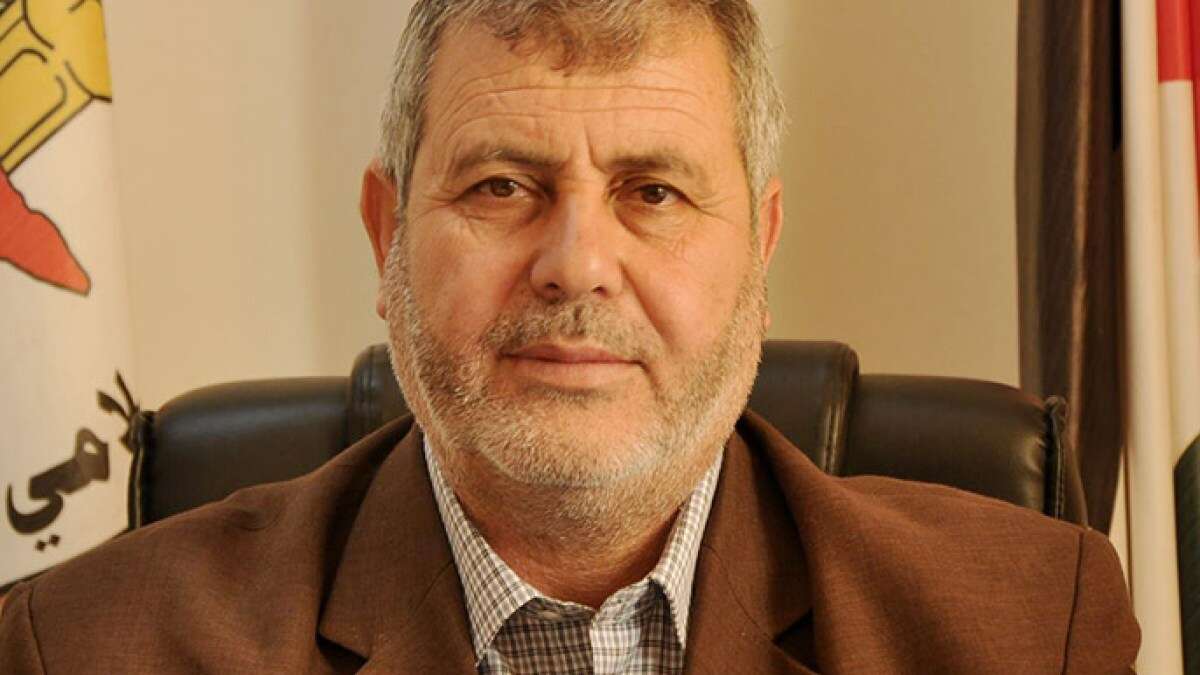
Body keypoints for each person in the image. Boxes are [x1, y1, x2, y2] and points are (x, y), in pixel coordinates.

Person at [0, 1, 1139, 673]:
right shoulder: (93, 647)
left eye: (654, 192)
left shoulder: (1026, 630)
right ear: (388, 237)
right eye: (502, 185)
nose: (577, 262)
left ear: (760, 250)